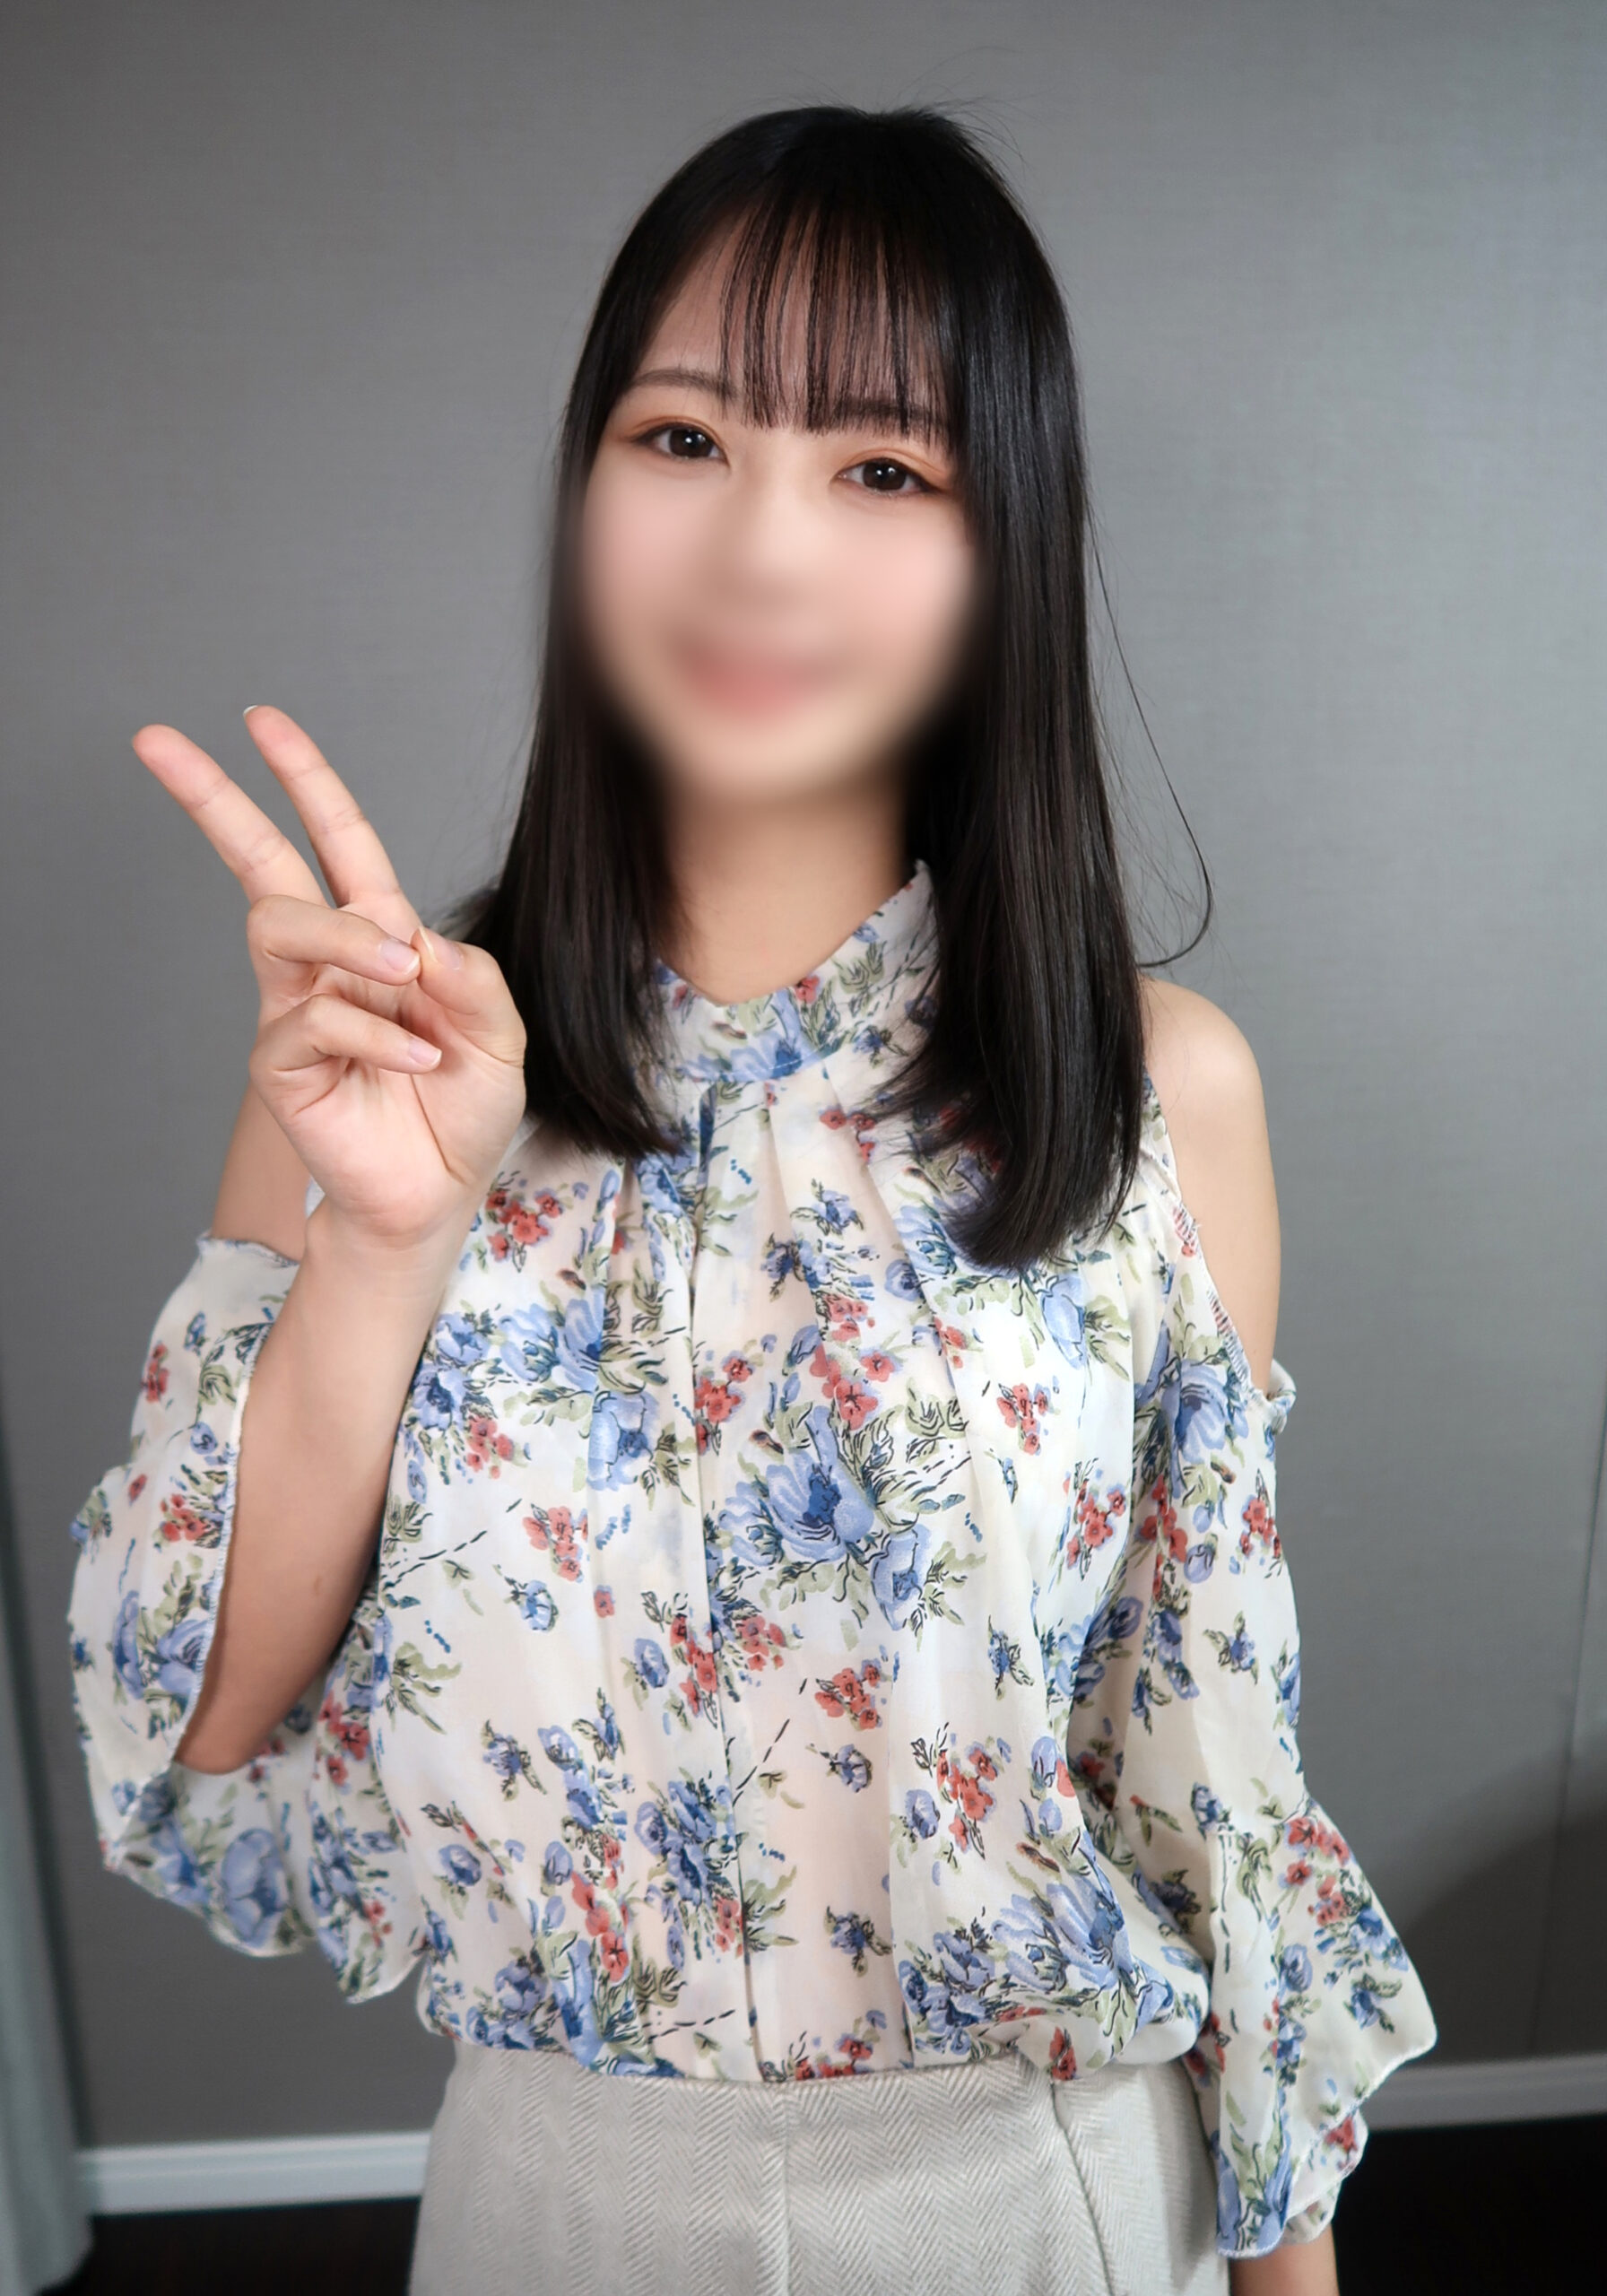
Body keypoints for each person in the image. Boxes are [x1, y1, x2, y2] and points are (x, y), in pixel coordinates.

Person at [67, 103, 1434, 2296]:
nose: (761, 550)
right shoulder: (385, 1075)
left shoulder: (1156, 1091)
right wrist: (391, 1238)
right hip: (552, 2199)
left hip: (1044, 2194)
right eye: (686, 437)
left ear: (1003, 545)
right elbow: (201, 1717)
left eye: (882, 469)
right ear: (587, 484)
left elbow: (1216, 1772)